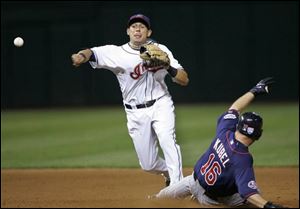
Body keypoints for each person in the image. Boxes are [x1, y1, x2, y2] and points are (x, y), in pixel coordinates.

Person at [71, 14, 189, 186]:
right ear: (128, 31)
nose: (137, 29)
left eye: (142, 26)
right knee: (148, 165)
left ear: (149, 32)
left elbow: (184, 79)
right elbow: (92, 53)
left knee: (167, 140)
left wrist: (168, 67)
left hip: (160, 103)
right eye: (133, 26)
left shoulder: (161, 50)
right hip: (134, 112)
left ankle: (178, 187)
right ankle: (169, 173)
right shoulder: (116, 53)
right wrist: (81, 56)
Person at [150, 77, 286, 208]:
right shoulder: (242, 158)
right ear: (257, 134)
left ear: (238, 126)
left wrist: (254, 91)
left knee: (159, 199)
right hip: (211, 201)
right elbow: (248, 193)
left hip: (191, 183)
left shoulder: (225, 131)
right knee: (255, 196)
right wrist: (269, 206)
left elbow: (235, 108)